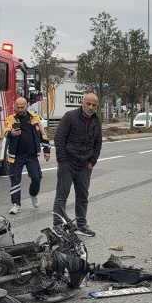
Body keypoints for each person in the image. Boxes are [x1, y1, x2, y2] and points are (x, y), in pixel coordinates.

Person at [52, 92, 102, 237]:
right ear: (82, 102)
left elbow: (98, 143)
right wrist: (62, 160)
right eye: (88, 104)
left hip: (85, 165)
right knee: (62, 195)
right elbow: (59, 138)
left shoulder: (96, 121)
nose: (91, 107)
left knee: (82, 196)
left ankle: (82, 224)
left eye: (94, 105)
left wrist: (92, 161)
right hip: (68, 163)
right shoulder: (70, 116)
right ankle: (58, 224)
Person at [6, 97, 51, 215]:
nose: (20, 110)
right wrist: (11, 133)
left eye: (22, 107)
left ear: (27, 106)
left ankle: (33, 194)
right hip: (16, 156)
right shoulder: (11, 119)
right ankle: (16, 204)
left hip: (32, 156)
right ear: (15, 107)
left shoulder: (35, 118)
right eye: (18, 107)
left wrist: (47, 150)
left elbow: (43, 135)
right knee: (15, 180)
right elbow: (5, 132)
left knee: (36, 178)